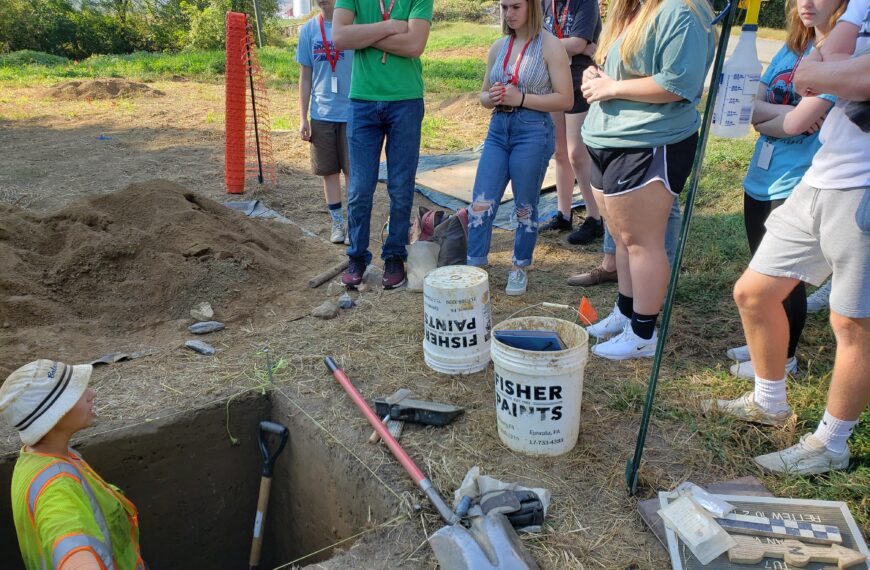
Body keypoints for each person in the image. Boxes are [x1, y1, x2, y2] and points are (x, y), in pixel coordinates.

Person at [704, 0, 869, 475]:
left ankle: (831, 443)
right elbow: (806, 77)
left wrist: (834, 71)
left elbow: (853, 81)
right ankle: (769, 400)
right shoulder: (858, 9)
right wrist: (836, 68)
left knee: (853, 325)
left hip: (863, 184)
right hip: (822, 176)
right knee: (754, 292)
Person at [578, 0, 714, 359]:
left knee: (642, 242)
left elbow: (678, 83)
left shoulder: (681, 12)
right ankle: (625, 312)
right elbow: (613, 67)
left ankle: (642, 333)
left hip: (649, 140)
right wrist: (593, 77)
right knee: (623, 239)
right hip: (606, 138)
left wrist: (612, 89)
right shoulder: (631, 9)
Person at [724, 0, 843, 380]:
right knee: (761, 263)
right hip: (762, 174)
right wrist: (785, 117)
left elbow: (799, 122)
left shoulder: (841, 54)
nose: (806, 2)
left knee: (784, 277)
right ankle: (767, 343)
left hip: (801, 178)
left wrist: (777, 117)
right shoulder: (792, 46)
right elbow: (750, 107)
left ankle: (785, 359)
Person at [466, 0, 573, 295]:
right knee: (481, 204)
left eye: (515, 7)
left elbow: (565, 99)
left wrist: (522, 98)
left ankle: (519, 267)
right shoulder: (499, 46)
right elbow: (484, 95)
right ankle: (475, 268)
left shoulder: (551, 46)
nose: (508, 14)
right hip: (498, 128)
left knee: (525, 206)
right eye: (504, 7)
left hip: (533, 131)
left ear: (531, 8)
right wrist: (494, 96)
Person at [0, 360, 145, 569]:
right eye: (77, 392)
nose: (92, 393)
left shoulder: (47, 456)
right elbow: (69, 541)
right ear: (55, 415)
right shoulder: (56, 489)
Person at [333, 0, 433, 289]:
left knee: (401, 187)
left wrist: (362, 37)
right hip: (362, 100)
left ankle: (394, 257)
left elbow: (415, 45)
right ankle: (357, 258)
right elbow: (340, 37)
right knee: (359, 188)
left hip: (406, 101)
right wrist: (389, 28)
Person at [537, 0, 604, 246]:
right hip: (553, 78)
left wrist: (544, 43)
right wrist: (567, 46)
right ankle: (563, 214)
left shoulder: (585, 3)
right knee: (560, 151)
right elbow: (535, 35)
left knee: (578, 153)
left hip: (579, 81)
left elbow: (578, 43)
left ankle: (595, 218)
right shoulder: (546, 3)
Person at [298, 0, 355, 245]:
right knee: (329, 172)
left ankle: (354, 224)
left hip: (353, 111)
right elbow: (305, 76)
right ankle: (337, 224)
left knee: (354, 174)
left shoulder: (355, 24)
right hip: (321, 114)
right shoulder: (309, 30)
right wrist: (303, 117)